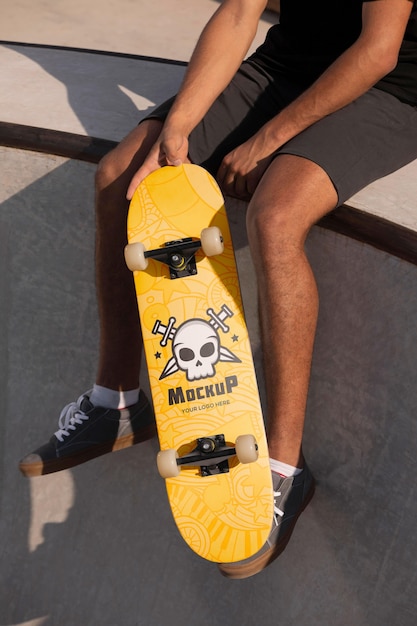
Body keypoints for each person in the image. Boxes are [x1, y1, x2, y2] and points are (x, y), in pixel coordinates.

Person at [19, 0, 417, 578]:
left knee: (277, 217)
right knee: (121, 177)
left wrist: (268, 139)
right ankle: (119, 402)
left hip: (388, 89)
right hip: (287, 68)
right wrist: (176, 133)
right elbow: (237, 15)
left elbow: (378, 50)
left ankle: (284, 468)